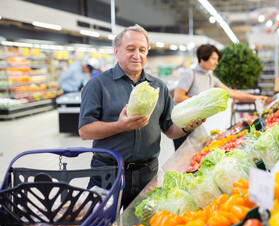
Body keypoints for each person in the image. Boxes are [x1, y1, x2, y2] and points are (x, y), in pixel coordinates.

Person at [78, 24, 205, 209]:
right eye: (130, 49)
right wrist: (119, 126)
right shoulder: (97, 84)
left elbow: (170, 129)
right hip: (107, 173)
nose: (136, 55)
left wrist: (187, 126)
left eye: (142, 50)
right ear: (116, 51)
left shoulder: (158, 86)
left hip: (147, 173)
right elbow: (85, 131)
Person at [173, 44, 268, 150]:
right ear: (203, 58)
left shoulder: (210, 77)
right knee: (182, 159)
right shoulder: (190, 74)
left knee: (197, 155)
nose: (216, 62)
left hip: (197, 125)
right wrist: (202, 105)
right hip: (184, 125)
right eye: (214, 59)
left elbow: (231, 92)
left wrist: (255, 97)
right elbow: (177, 97)